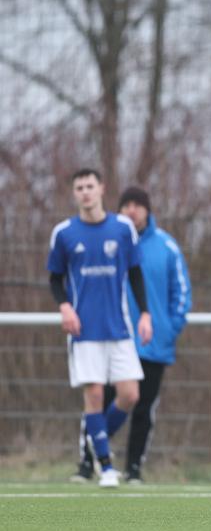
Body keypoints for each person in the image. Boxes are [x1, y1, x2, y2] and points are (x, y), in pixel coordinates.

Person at [70, 186, 192, 484]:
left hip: (153, 345)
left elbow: (182, 294)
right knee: (98, 400)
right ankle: (89, 462)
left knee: (141, 407)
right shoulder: (107, 240)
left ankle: (134, 468)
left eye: (138, 205)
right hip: (112, 336)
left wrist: (167, 330)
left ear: (148, 210)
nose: (132, 210)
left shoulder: (166, 246)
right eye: (127, 205)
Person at [48, 169, 153, 488]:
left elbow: (135, 273)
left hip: (119, 327)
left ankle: (96, 440)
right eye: (79, 187)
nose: (85, 192)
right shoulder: (64, 233)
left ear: (101, 189)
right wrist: (65, 306)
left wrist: (145, 314)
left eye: (89, 186)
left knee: (130, 395)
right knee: (93, 395)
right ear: (74, 193)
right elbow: (55, 278)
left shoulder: (122, 228)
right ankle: (106, 467)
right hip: (85, 331)